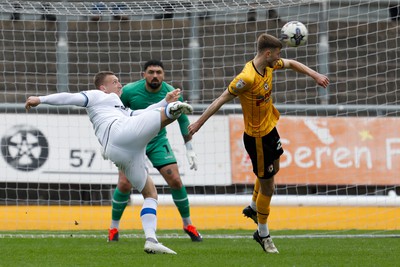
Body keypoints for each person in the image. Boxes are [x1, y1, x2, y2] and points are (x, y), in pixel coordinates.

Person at [188, 34, 329, 254]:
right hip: (257, 139)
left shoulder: (270, 66)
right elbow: (222, 98)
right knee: (269, 187)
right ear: (268, 53)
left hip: (270, 128)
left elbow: (291, 64)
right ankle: (263, 234)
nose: (280, 58)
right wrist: (198, 123)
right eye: (278, 54)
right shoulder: (247, 77)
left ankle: (254, 207)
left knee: (275, 171)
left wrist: (315, 75)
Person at [25, 71, 194, 254]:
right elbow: (70, 97)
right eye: (115, 82)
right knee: (159, 116)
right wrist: (40, 99)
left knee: (150, 193)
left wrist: (164, 101)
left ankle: (151, 239)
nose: (120, 85)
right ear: (103, 88)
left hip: (123, 151)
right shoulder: (97, 95)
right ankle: (172, 111)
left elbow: (143, 113)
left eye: (119, 82)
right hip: (118, 134)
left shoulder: (120, 107)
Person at [107, 60, 202, 242]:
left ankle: (188, 224)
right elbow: (116, 113)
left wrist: (189, 148)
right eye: (151, 72)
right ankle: (113, 227)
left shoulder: (172, 93)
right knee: (125, 184)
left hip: (157, 141)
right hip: (132, 142)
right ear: (144, 74)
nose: (155, 75)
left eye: (158, 72)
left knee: (175, 179)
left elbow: (183, 121)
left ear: (163, 75)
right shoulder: (129, 91)